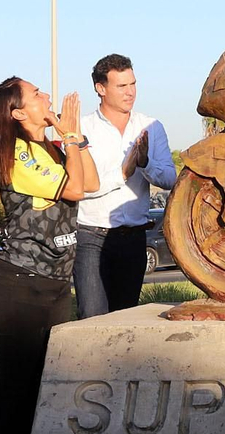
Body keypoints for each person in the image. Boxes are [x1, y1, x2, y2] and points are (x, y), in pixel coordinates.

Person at [0, 78, 99, 434]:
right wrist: (69, 137)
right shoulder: (16, 155)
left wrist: (73, 138)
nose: (46, 96)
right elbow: (74, 190)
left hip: (54, 286)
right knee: (14, 384)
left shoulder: (50, 147)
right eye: (36, 95)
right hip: (20, 285)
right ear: (17, 112)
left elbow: (92, 180)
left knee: (41, 384)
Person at [74, 54, 176, 318]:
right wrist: (122, 173)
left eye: (133, 84)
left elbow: (169, 179)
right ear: (100, 88)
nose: (130, 92)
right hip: (91, 237)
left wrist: (144, 163)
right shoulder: (81, 128)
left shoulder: (151, 127)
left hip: (134, 238)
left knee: (124, 320)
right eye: (121, 86)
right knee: (92, 319)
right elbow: (81, 187)